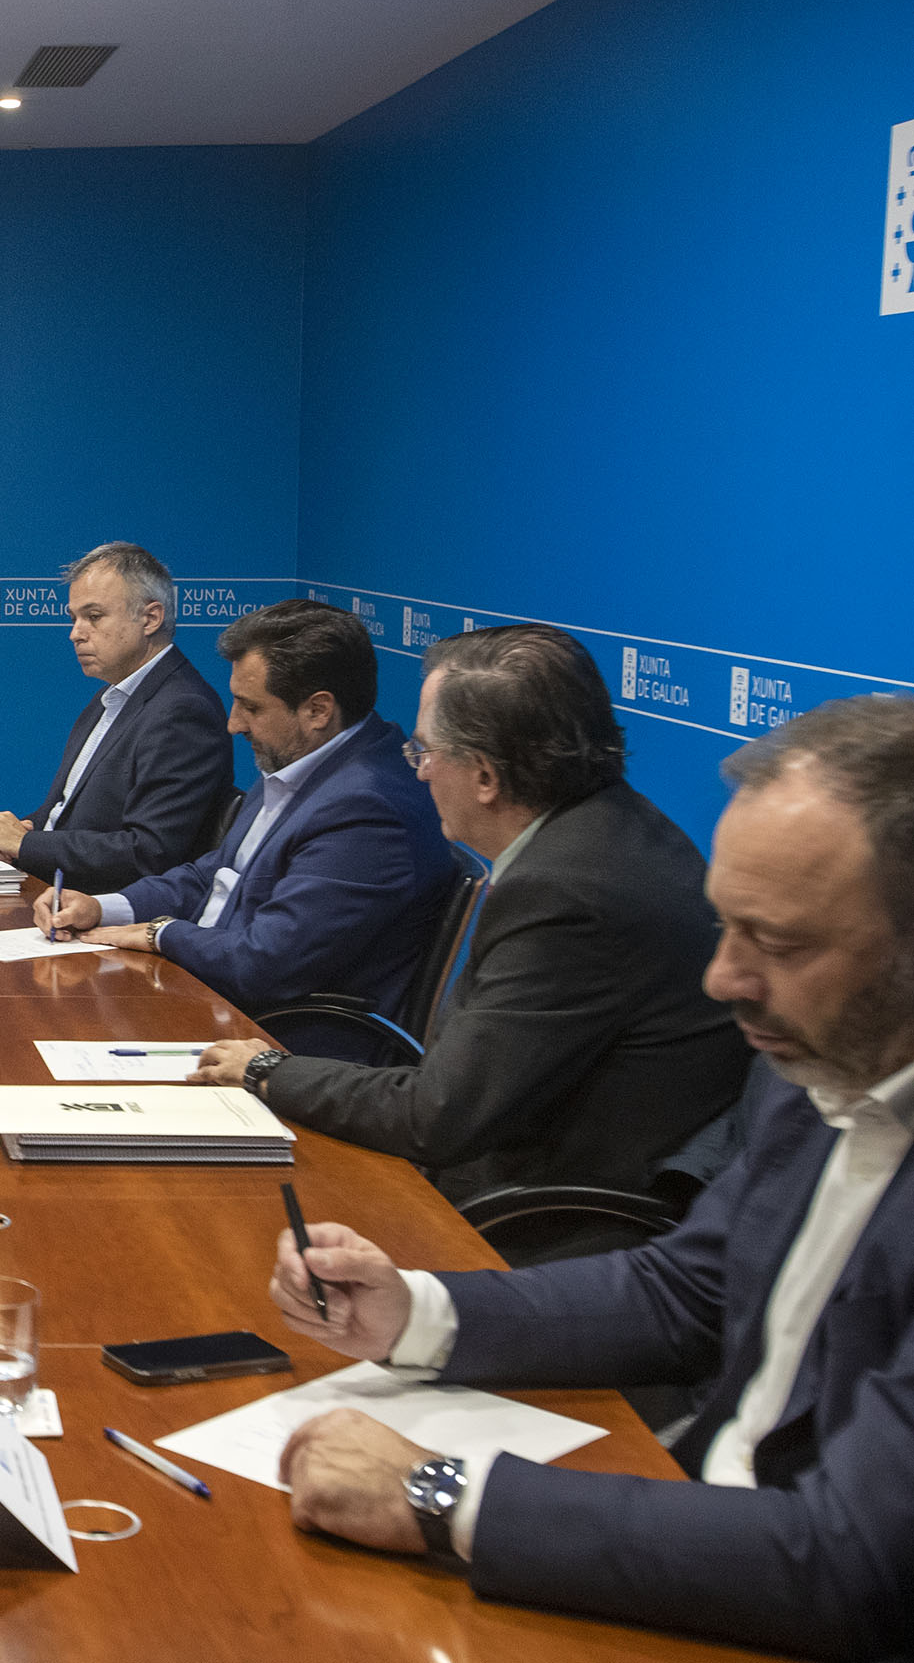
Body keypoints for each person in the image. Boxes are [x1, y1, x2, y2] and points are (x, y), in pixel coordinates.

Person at [265, 696, 914, 1659]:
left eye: (778, 944)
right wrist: (413, 1313)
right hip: (703, 1536)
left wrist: (440, 1495)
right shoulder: (819, 1059)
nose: (723, 979)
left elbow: (851, 1566)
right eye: (727, 928)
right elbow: (687, 1289)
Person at [189, 623, 749, 1208]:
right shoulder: (608, 828)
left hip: (552, 1213)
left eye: (425, 752)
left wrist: (267, 1070)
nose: (419, 772)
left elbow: (438, 1116)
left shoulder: (568, 892)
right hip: (520, 1161)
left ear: (485, 776)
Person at [34, 598, 450, 1059]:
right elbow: (213, 874)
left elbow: (264, 962)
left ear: (318, 710)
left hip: (274, 1042)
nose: (233, 723)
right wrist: (104, 907)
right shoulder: (306, 763)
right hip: (209, 1001)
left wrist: (159, 934)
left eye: (250, 707)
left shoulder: (367, 810)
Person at [0, 541, 233, 890]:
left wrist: (24, 844)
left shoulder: (183, 709)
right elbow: (60, 816)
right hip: (55, 892)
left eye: (93, 617)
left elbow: (150, 853)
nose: (75, 634)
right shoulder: (111, 696)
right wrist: (13, 832)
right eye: (74, 618)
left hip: (108, 909)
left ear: (150, 618)